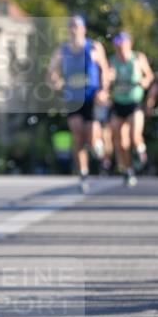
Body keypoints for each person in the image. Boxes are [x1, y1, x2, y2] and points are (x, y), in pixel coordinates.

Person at [47, 15, 110, 193]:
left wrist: (104, 90)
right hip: (72, 98)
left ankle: (98, 145)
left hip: (91, 96)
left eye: (76, 26)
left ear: (83, 29)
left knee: (90, 136)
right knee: (77, 135)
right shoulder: (62, 51)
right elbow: (52, 72)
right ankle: (83, 173)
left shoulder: (94, 47)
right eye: (71, 26)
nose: (73, 30)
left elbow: (104, 69)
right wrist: (54, 81)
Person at [109, 32, 153, 187]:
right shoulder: (113, 61)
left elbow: (149, 76)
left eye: (123, 43)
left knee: (134, 135)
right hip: (118, 103)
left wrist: (144, 81)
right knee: (120, 141)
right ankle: (128, 170)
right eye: (117, 43)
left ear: (129, 43)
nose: (120, 46)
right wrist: (108, 78)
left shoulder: (138, 58)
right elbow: (108, 77)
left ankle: (141, 151)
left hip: (134, 102)